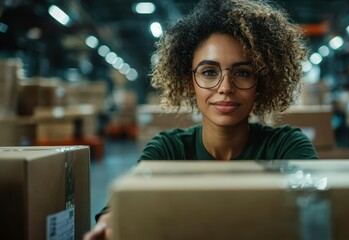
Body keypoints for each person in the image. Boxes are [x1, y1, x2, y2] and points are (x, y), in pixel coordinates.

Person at [84, 0, 318, 238]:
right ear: (189, 82)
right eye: (209, 72)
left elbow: (319, 207)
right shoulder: (169, 150)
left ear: (261, 84)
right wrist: (110, 223)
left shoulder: (286, 147)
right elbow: (121, 204)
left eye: (242, 73)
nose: (225, 87)